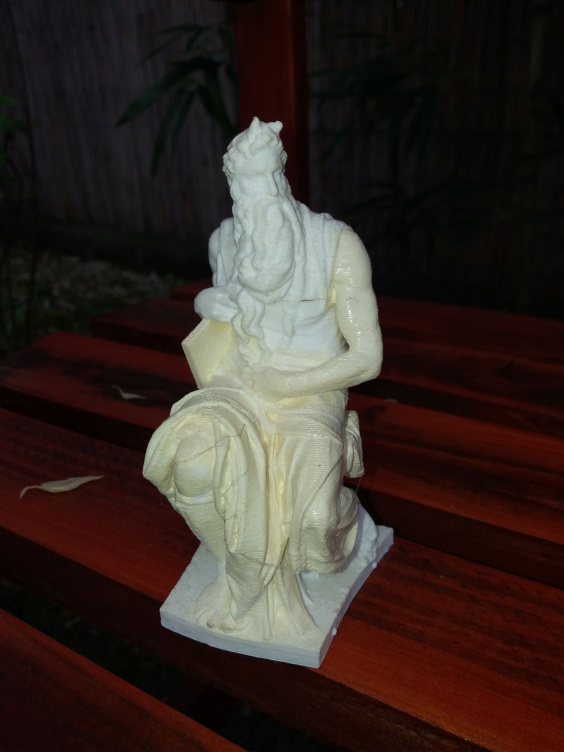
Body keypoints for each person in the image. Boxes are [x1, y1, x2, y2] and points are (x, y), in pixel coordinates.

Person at [144, 118, 382, 643]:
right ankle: (241, 575)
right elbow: (225, 317)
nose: (254, 205)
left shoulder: (337, 246)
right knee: (190, 466)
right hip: (238, 386)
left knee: (313, 524)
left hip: (310, 389)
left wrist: (286, 386)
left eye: (264, 188)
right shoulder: (226, 242)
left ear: (282, 180)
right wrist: (208, 301)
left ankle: (340, 478)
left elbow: (368, 358)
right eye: (242, 193)